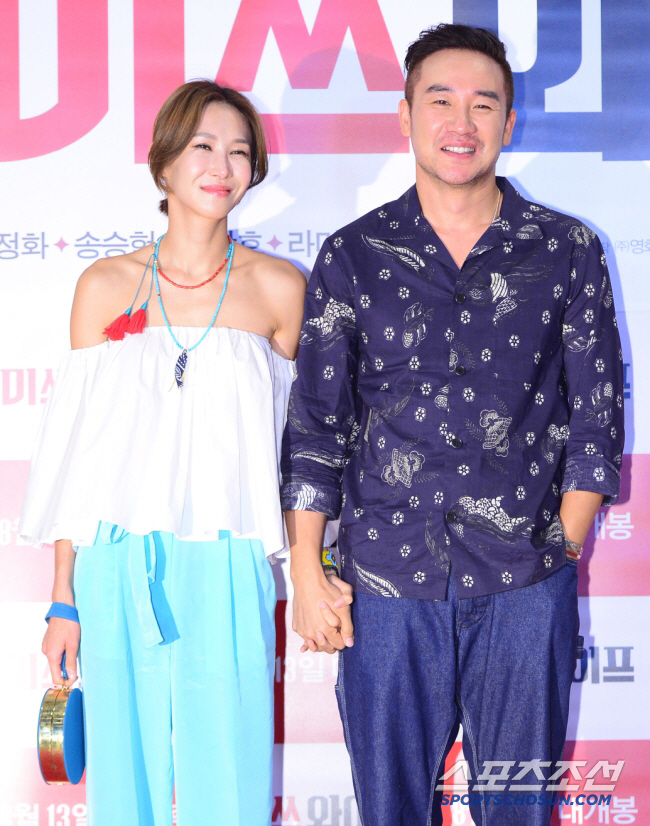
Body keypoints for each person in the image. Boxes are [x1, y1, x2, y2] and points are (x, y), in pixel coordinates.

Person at [281, 24, 624, 826]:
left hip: (525, 581)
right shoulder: (353, 255)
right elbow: (318, 425)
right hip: (384, 586)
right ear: (405, 116)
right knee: (390, 811)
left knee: (518, 810)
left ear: (509, 121)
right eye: (440, 101)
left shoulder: (567, 249)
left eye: (483, 103)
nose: (460, 122)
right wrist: (306, 566)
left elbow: (597, 414)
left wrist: (562, 545)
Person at [20, 80, 305, 826]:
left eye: (239, 151)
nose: (222, 166)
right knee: (125, 788)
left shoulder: (279, 289)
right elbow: (79, 454)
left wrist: (315, 563)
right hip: (115, 559)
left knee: (233, 787)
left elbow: (303, 445)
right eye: (204, 146)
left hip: (231, 561)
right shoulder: (104, 285)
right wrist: (64, 596)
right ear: (165, 164)